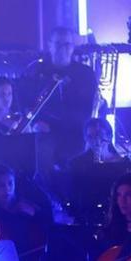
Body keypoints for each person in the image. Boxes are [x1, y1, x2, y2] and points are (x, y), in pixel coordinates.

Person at [18, 26, 98, 162]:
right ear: (49, 45)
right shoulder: (35, 72)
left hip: (75, 133)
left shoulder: (85, 74)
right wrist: (35, 123)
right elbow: (23, 101)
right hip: (44, 134)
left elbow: (86, 110)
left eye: (67, 44)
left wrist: (60, 122)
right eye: (58, 44)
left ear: (73, 47)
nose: (63, 49)